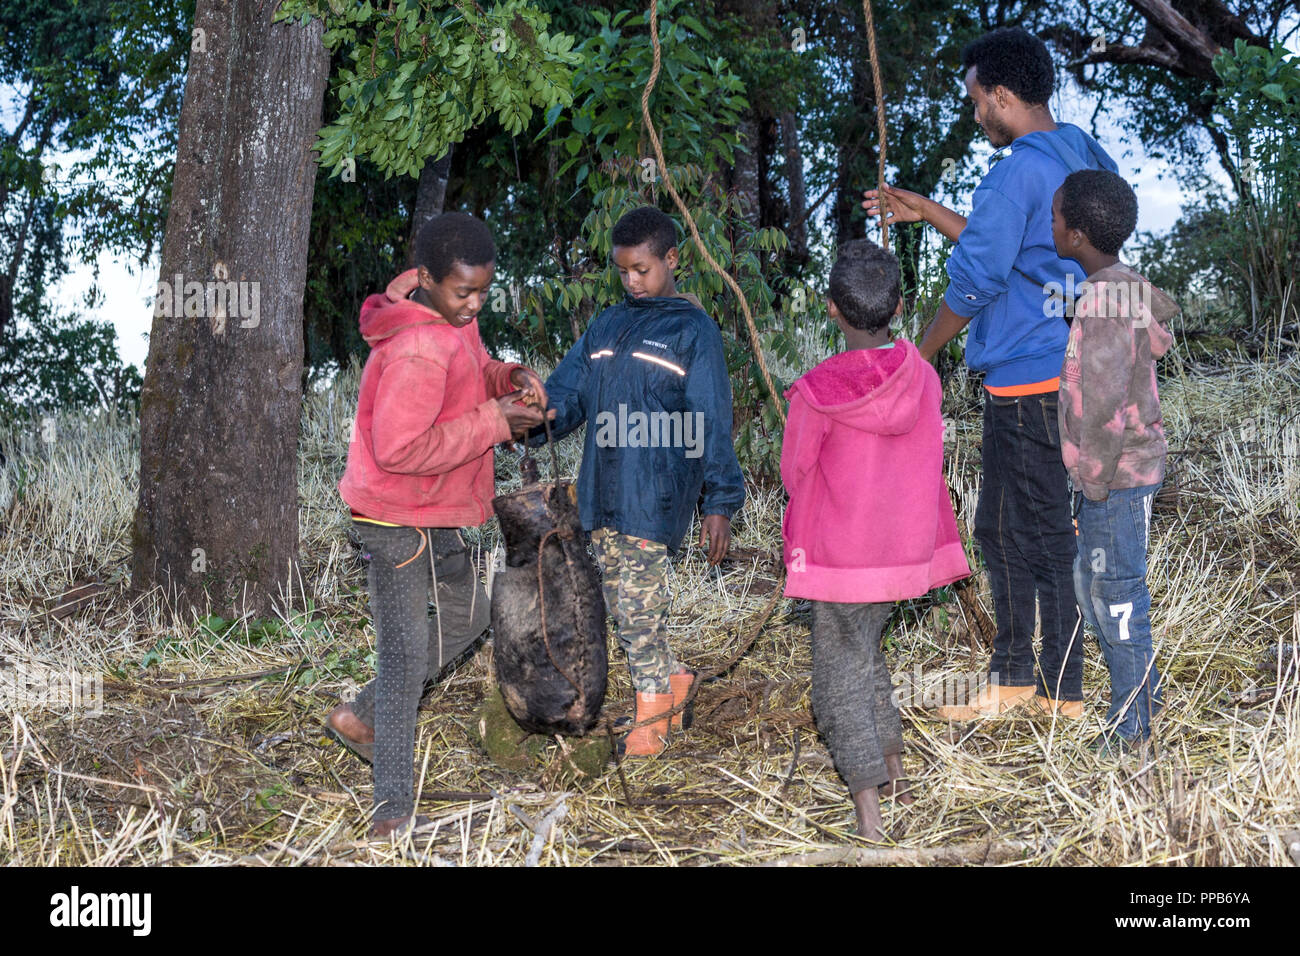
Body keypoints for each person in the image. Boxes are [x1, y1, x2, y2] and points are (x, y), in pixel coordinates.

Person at [863, 27, 1118, 720]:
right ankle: (1041, 683)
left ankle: (1041, 688)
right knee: (1039, 529)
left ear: (1003, 96)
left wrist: (921, 350)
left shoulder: (1015, 170)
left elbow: (977, 278)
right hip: (1076, 372)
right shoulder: (1081, 152)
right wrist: (926, 209)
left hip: (1026, 386)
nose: (977, 116)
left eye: (979, 103)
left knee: (1014, 533)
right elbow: (1025, 247)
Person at [327, 212, 552, 838]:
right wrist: (495, 423)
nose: (474, 304)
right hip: (393, 521)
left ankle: (362, 715)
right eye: (464, 293)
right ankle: (391, 813)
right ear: (425, 278)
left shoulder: (453, 320)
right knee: (403, 661)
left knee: (470, 616)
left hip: (435, 514)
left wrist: (508, 380)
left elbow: (474, 367)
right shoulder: (415, 348)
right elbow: (398, 448)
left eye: (483, 291)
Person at [536, 205, 745, 757]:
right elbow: (568, 395)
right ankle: (676, 682)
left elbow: (711, 418)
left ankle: (652, 713)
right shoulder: (605, 326)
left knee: (636, 608)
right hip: (602, 491)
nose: (631, 280)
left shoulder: (691, 329)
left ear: (671, 259)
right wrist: (530, 419)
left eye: (641, 269)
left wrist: (719, 501)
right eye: (622, 270)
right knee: (615, 603)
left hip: (656, 494)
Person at [781, 240, 970, 839]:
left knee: (836, 679)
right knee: (866, 657)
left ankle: (868, 811)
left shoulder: (816, 391)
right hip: (901, 555)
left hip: (841, 558)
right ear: (900, 305)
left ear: (831, 308)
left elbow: (794, 472)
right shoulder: (923, 376)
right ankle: (894, 770)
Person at [1051, 169, 1176, 754]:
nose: (1050, 226)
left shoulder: (1102, 302)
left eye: (1054, 217)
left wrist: (1091, 483)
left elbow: (1100, 403)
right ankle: (1142, 694)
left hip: (1113, 480)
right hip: (1121, 475)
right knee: (1096, 587)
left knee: (1116, 597)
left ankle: (1132, 729)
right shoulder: (1121, 291)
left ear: (1075, 234)